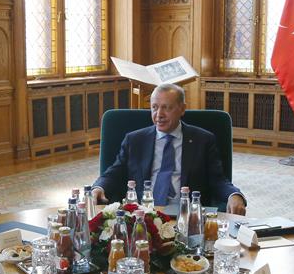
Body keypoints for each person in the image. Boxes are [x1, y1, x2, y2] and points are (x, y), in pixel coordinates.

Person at [91, 83, 247, 215]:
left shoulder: (203, 140)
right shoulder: (134, 140)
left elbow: (218, 180)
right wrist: (98, 187)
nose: (159, 115)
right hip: (143, 213)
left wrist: (234, 195)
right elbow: (114, 173)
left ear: (182, 109)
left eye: (166, 108)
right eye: (154, 107)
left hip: (185, 215)